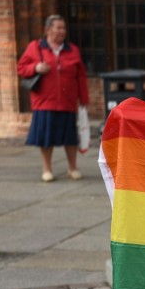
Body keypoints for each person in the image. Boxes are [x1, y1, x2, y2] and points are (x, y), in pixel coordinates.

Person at [17, 14, 89, 182]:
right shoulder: (35, 48)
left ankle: (73, 168)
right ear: (48, 30)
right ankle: (47, 169)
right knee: (46, 138)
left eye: (64, 28)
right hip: (44, 102)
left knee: (70, 138)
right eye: (58, 28)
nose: (62, 31)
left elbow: (81, 77)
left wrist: (83, 99)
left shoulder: (73, 50)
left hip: (67, 102)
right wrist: (35, 67)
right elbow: (21, 68)